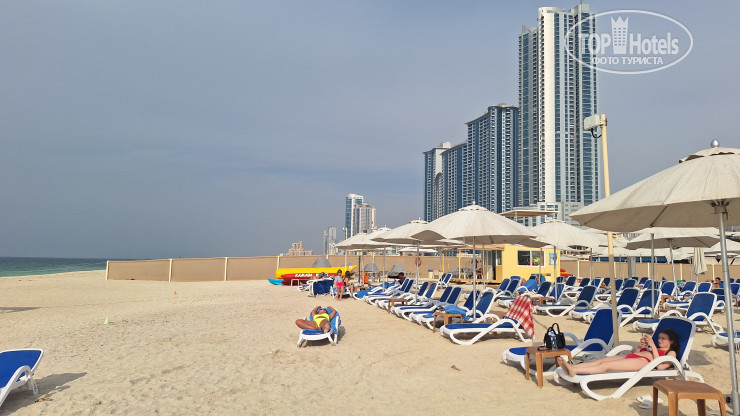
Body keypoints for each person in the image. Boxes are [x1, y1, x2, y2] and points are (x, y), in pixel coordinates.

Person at [557, 329, 680, 377]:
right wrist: (640, 347)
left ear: (671, 341)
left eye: (663, 339)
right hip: (632, 357)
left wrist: (652, 346)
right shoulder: (655, 348)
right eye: (659, 338)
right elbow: (637, 352)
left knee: (606, 366)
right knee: (599, 361)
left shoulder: (671, 353)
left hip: (642, 362)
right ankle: (572, 367)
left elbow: (660, 366)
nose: (659, 340)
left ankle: (575, 370)